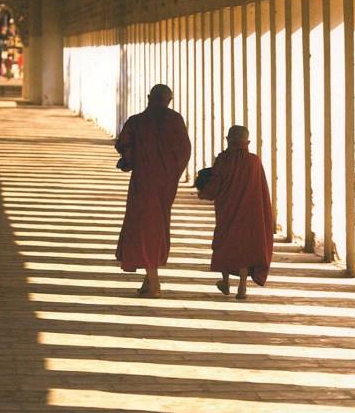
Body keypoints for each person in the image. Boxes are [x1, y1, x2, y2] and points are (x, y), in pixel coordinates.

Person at [115, 84, 191, 297]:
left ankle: (155, 284)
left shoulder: (136, 121)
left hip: (143, 182)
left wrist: (131, 161)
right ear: (169, 100)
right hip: (165, 185)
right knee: (157, 226)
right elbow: (185, 150)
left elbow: (124, 146)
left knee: (143, 228)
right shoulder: (175, 120)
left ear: (149, 97)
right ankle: (148, 281)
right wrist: (172, 174)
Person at [198, 125, 273, 299]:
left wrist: (204, 194)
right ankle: (242, 286)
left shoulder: (223, 159)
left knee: (225, 243)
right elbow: (261, 189)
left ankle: (225, 282)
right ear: (248, 142)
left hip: (227, 210)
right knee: (244, 247)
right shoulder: (254, 161)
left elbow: (215, 183)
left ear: (227, 140)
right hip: (250, 213)